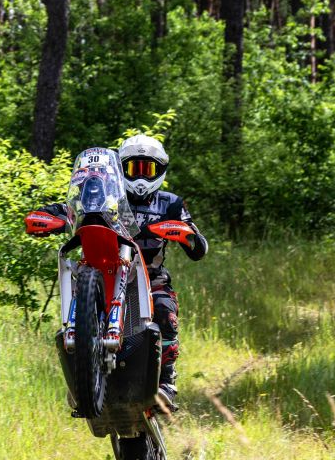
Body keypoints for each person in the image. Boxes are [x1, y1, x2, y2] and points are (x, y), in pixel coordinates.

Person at [27, 135, 208, 411]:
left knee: (165, 309)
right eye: (133, 168)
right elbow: (73, 207)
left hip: (149, 275)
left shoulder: (170, 203)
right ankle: (81, 378)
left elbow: (198, 245)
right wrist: (50, 215)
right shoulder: (106, 193)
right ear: (120, 168)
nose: (140, 176)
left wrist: (188, 235)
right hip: (106, 268)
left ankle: (166, 383)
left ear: (160, 171)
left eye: (147, 169)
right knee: (79, 297)